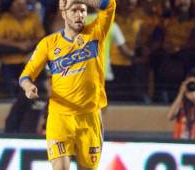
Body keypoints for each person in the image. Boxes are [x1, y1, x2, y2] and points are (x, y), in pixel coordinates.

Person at [19, 0, 116, 169]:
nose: (80, 15)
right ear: (63, 14)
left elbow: (110, 4)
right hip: (60, 117)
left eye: (83, 11)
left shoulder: (96, 32)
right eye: (75, 10)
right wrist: (28, 87)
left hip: (89, 117)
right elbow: (26, 75)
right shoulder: (48, 43)